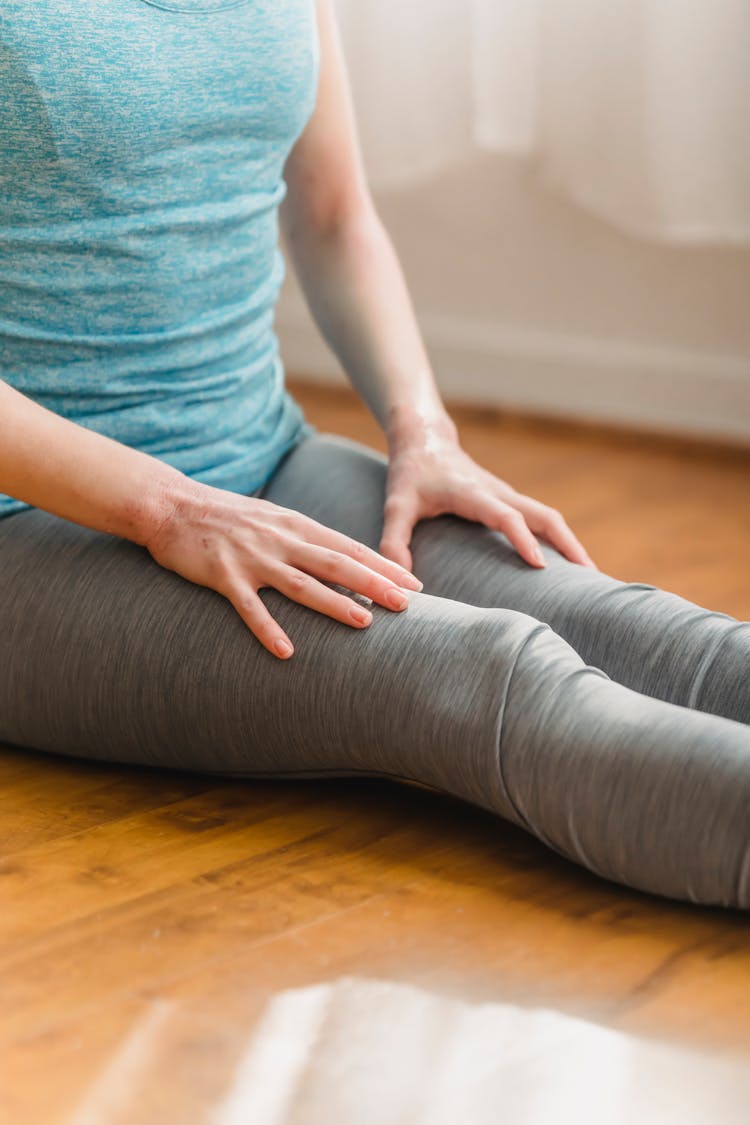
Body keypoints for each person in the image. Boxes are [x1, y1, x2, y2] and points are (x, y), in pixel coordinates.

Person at [1, 0, 749, 911]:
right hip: (30, 526)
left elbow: (332, 211)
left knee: (626, 626)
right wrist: (167, 508)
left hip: (261, 458)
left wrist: (423, 432)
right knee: (489, 675)